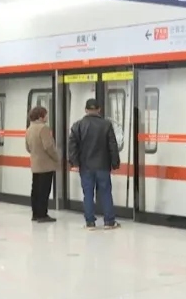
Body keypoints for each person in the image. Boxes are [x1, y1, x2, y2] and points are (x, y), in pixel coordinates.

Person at [68, 99, 120, 230]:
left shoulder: (77, 125)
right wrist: (115, 163)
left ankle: (90, 222)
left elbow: (72, 146)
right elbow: (112, 146)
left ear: (86, 110)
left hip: (85, 166)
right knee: (106, 193)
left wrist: (74, 163)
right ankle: (109, 222)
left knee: (88, 194)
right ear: (99, 110)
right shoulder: (106, 125)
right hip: (103, 165)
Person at [25, 106, 59, 223]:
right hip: (46, 165)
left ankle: (35, 214)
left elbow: (27, 147)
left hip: (35, 164)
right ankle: (42, 214)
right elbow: (48, 146)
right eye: (46, 114)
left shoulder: (29, 129)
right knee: (44, 191)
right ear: (41, 116)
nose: (47, 116)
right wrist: (56, 157)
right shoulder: (43, 128)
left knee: (35, 190)